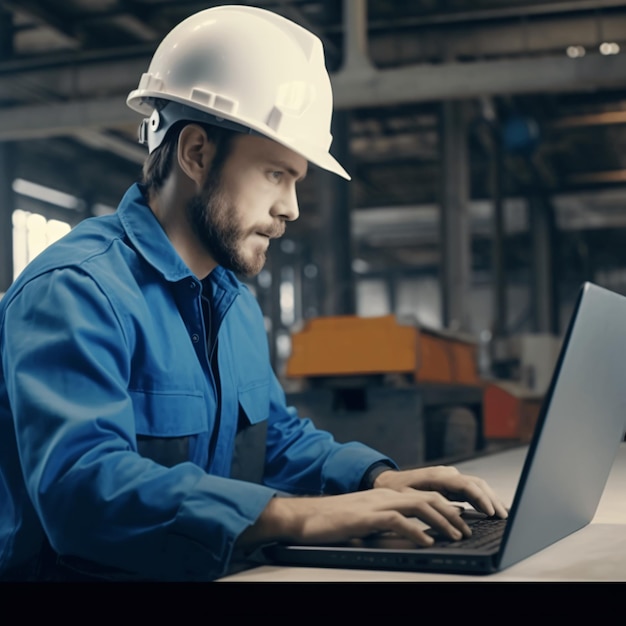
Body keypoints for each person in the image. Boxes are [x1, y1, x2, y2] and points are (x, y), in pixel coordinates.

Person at [0, 5, 507, 582]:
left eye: (295, 181)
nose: (290, 208)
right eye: (275, 174)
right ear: (196, 153)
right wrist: (297, 517)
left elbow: (276, 440)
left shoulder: (231, 302)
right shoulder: (75, 291)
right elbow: (83, 491)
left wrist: (376, 479)